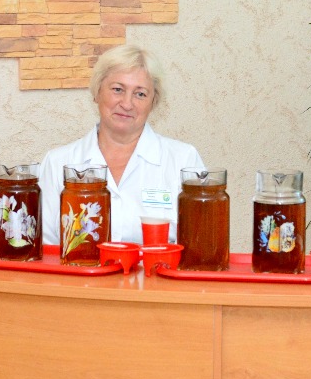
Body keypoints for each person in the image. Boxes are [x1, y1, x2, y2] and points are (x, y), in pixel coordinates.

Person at [38, 45, 203, 246]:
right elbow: (46, 249)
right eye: (118, 89)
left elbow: (199, 245)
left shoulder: (184, 160)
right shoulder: (57, 163)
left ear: (153, 102)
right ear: (97, 92)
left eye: (140, 94)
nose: (127, 104)